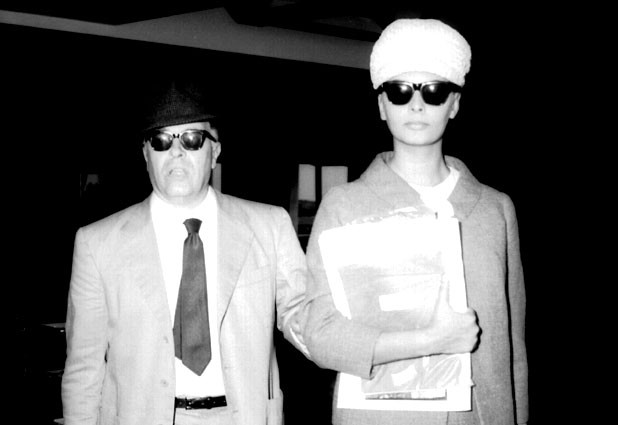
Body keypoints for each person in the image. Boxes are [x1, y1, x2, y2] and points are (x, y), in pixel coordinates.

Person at [302, 18, 528, 425]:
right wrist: (428, 341)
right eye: (400, 91)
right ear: (382, 105)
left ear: (454, 104)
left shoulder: (495, 209)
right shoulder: (344, 205)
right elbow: (319, 334)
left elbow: (512, 347)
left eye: (434, 91)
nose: (417, 105)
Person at [61, 79, 308, 425]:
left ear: (215, 151)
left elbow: (307, 319)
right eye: (161, 141)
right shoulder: (97, 243)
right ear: (145, 153)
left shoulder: (269, 225)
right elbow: (83, 369)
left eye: (192, 139)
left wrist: (367, 345)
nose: (176, 152)